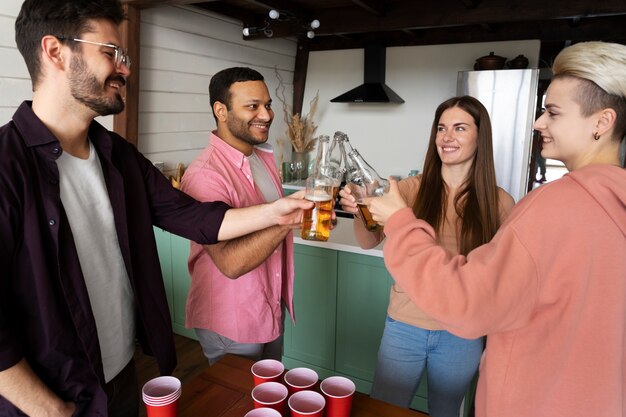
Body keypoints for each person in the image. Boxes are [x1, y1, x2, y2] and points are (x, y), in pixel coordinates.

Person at [0, 2, 311, 417]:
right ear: (55, 52)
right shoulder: (5, 166)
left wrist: (279, 212)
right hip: (49, 399)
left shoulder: (118, 156)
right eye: (110, 52)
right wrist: (52, 410)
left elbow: (197, 218)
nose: (125, 69)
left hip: (126, 375)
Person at [363, 41, 626, 417]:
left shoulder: (549, 205)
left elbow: (471, 302)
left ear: (601, 122)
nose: (538, 123)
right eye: (441, 128)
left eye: (552, 112)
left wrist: (402, 224)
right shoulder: (612, 202)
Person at [339, 96, 514, 416]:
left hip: (462, 334)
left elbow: (502, 275)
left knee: (446, 412)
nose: (447, 137)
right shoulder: (408, 190)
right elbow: (369, 240)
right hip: (404, 326)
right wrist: (359, 210)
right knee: (384, 410)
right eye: (441, 128)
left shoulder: (499, 202)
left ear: (480, 136)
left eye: (460, 128)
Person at [180, 67, 295, 365]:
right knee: (234, 404)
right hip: (231, 318)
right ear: (221, 110)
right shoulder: (206, 176)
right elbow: (230, 263)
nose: (267, 115)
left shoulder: (262, 157)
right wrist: (289, 219)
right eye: (252, 106)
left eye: (267, 105)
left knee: (266, 400)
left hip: (268, 307)